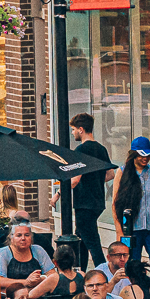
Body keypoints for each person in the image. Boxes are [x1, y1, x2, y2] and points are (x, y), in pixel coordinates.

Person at [62, 113, 115, 267]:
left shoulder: (80, 151)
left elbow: (75, 179)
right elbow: (110, 174)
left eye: (73, 130)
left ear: (81, 129)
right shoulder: (101, 149)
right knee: (81, 240)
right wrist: (95, 179)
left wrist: (58, 194)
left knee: (92, 242)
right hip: (98, 202)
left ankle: (103, 273)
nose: (72, 133)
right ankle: (81, 271)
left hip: (84, 203)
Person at [114, 136, 150, 283]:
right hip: (132, 228)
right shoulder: (123, 172)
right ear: (134, 154)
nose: (145, 158)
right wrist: (119, 231)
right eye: (142, 155)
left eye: (148, 155)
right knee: (132, 264)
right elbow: (115, 204)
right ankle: (135, 294)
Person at [0, 222, 58, 298]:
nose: (23, 238)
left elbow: (53, 275)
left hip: (37, 297)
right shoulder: (2, 254)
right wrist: (26, 282)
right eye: (19, 235)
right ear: (11, 238)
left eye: (27, 235)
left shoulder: (38, 250)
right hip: (11, 298)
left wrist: (41, 278)